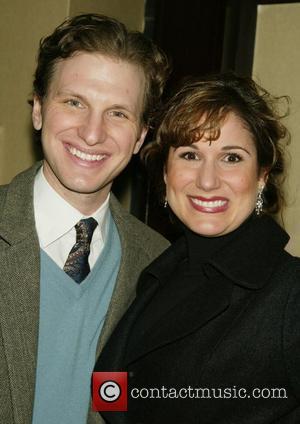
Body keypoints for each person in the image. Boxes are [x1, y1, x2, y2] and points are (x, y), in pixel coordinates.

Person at [95, 73, 300, 423]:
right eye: (190, 155)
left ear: (262, 175)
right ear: (165, 173)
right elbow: (111, 392)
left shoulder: (290, 293)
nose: (207, 180)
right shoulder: (152, 271)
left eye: (232, 158)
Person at [0, 13, 170, 424]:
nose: (92, 133)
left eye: (118, 113)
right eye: (74, 102)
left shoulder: (160, 264)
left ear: (141, 137)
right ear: (38, 110)